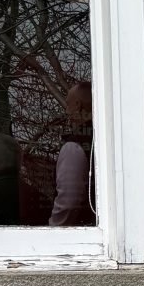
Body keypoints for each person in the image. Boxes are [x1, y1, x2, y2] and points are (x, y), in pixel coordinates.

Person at [50, 80, 94, 226]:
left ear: (77, 105)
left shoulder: (74, 147)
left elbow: (68, 203)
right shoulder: (111, 141)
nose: (66, 112)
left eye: (68, 105)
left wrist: (52, 232)